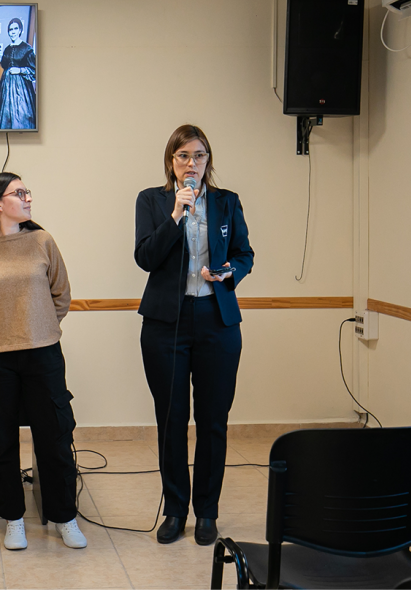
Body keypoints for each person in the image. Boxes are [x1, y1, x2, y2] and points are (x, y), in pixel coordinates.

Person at [134, 124, 254, 546]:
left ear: (208, 161)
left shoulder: (227, 202)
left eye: (199, 155)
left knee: (213, 422)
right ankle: (175, 511)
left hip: (216, 322)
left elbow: (244, 254)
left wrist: (229, 273)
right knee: (171, 422)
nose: (192, 163)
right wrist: (176, 216)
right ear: (171, 161)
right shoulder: (153, 201)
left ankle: (207, 512)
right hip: (166, 323)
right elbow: (146, 257)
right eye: (183, 155)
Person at [0, 172, 87, 551]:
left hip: (43, 354)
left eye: (27, 191)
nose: (28, 198)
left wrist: (38, 325)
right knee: (0, 441)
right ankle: (13, 518)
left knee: (55, 438)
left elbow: (60, 294)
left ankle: (65, 516)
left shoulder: (42, 240)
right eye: (19, 193)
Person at [0, 18, 36, 129]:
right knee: (5, 112)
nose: (13, 31)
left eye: (15, 28)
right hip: (6, 85)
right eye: (10, 29)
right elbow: (3, 65)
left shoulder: (27, 49)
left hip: (21, 87)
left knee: (21, 114)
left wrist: (20, 70)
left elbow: (35, 70)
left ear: (20, 30)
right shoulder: (7, 49)